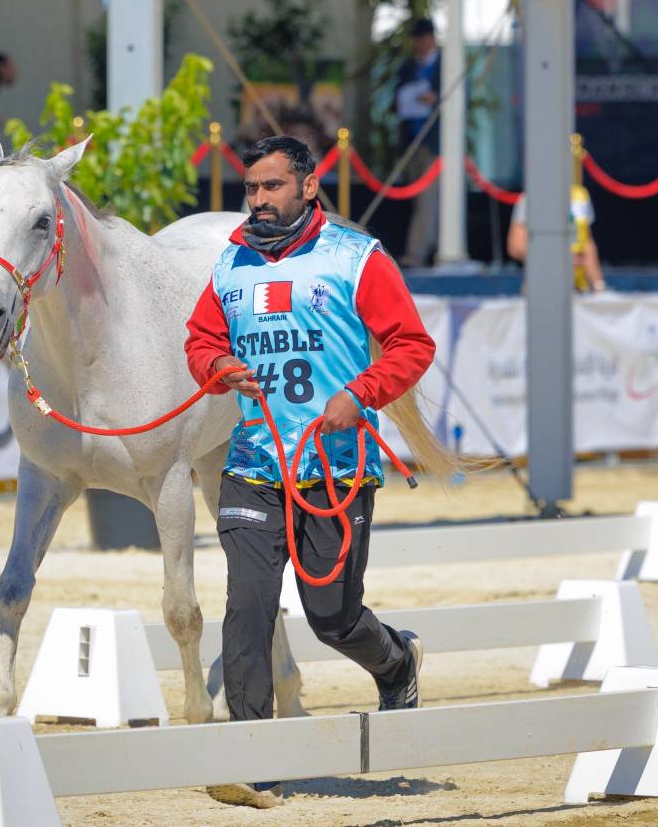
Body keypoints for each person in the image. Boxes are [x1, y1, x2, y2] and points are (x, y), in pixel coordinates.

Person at [185, 135, 436, 809]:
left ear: (308, 186)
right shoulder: (230, 262)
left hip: (335, 469)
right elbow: (201, 339)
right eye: (251, 188)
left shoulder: (357, 257)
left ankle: (396, 662)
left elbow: (412, 344)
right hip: (253, 464)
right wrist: (217, 366)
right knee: (248, 605)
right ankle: (255, 759)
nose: (259, 200)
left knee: (332, 617)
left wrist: (360, 394)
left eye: (272, 186)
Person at [394, 17, 440, 268]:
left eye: (423, 37)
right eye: (416, 38)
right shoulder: (407, 67)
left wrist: (436, 99)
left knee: (428, 202)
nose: (420, 43)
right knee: (420, 203)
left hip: (435, 146)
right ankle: (429, 250)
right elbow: (397, 101)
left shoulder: (445, 65)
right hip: (411, 143)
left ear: (433, 37)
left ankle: (418, 254)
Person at [507, 186, 607, 292]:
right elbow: (515, 248)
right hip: (543, 288)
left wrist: (598, 285)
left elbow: (587, 243)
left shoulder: (580, 195)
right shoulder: (531, 197)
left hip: (578, 289)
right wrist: (559, 258)